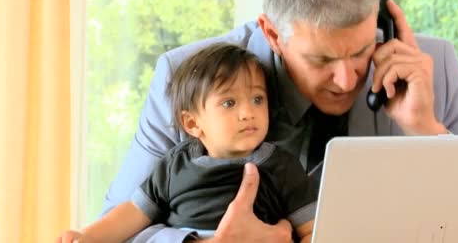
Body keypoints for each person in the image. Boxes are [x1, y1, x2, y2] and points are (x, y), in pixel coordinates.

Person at [101, 0, 458, 242]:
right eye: (322, 59)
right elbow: (115, 228)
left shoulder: (432, 67)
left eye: (360, 50)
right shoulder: (189, 77)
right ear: (272, 33)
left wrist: (424, 129)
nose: (346, 80)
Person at [59, 43, 316, 243]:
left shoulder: (280, 166)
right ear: (192, 124)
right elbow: (135, 212)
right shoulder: (176, 164)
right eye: (229, 103)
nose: (248, 112)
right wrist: (87, 236)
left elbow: (312, 229)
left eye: (257, 99)